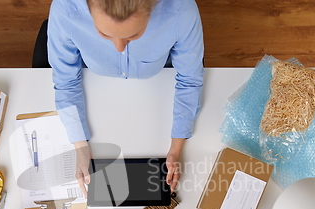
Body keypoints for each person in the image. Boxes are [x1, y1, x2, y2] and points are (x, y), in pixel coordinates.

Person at [47, 0, 204, 197]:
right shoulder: (65, 8)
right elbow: (66, 81)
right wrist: (80, 146)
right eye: (104, 34)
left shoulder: (181, 9)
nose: (120, 48)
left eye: (134, 35)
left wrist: (176, 148)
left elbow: (190, 80)